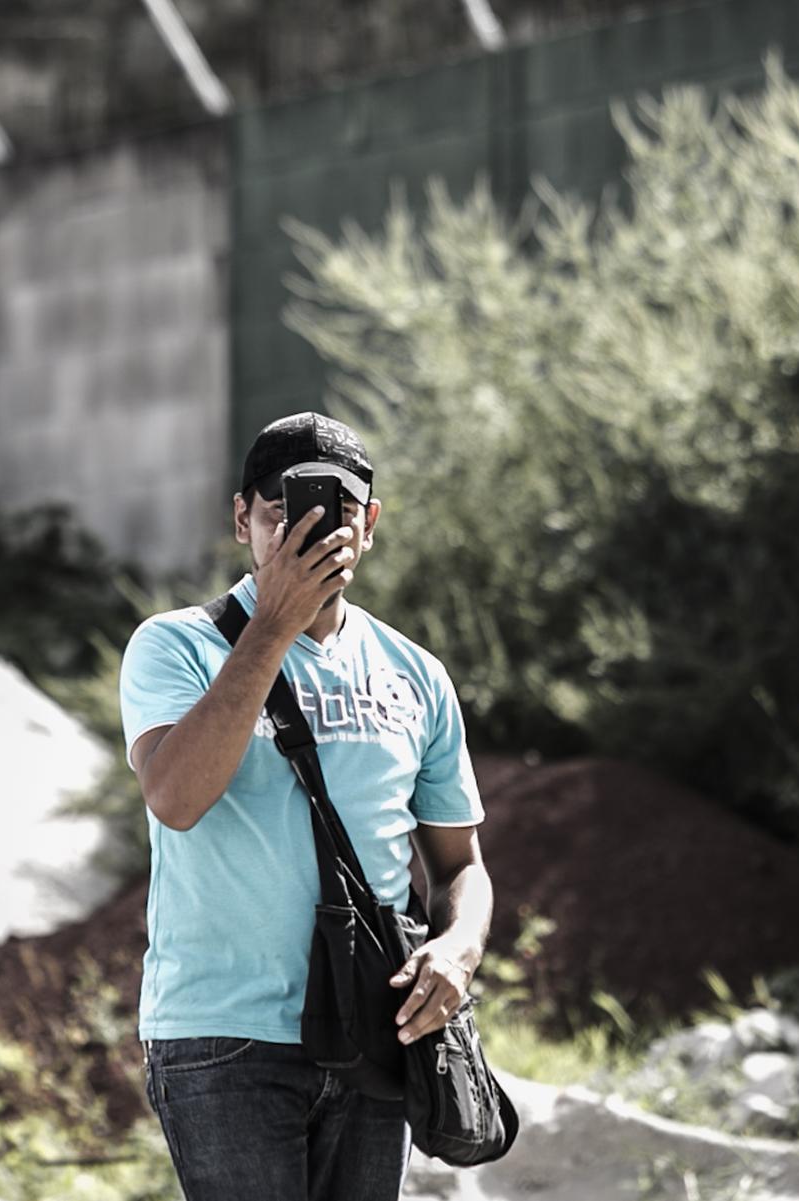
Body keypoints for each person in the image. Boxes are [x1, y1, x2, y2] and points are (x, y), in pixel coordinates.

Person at [118, 411, 494, 1201]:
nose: (307, 531)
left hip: (372, 1031)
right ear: (240, 519)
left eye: (336, 510)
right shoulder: (175, 645)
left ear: (372, 524)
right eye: (281, 512)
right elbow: (176, 798)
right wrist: (275, 624)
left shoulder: (416, 673)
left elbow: (461, 866)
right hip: (223, 1038)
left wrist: (457, 950)